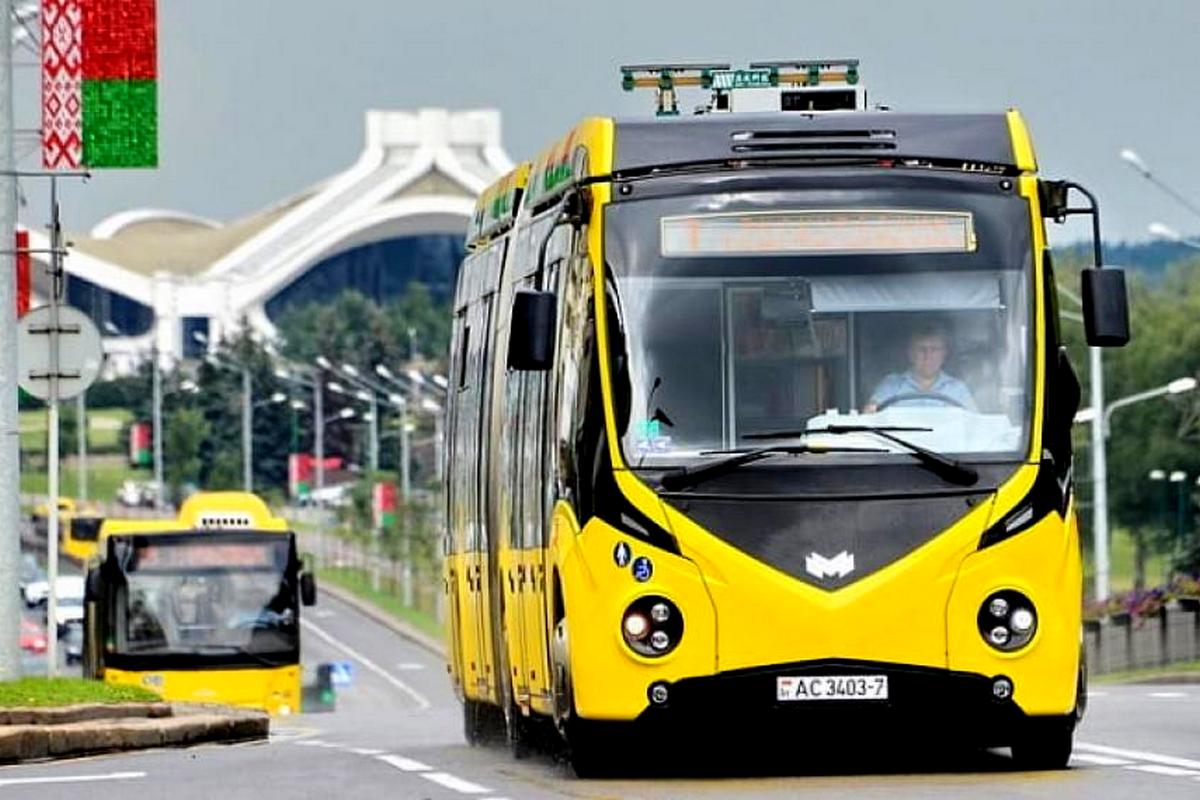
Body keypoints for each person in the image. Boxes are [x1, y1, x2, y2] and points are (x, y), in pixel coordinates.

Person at [864, 324, 977, 412]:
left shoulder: (958, 389)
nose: (928, 356)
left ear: (944, 354)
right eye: (921, 349)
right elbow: (870, 417)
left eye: (934, 349)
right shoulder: (891, 386)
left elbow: (974, 427)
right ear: (910, 353)